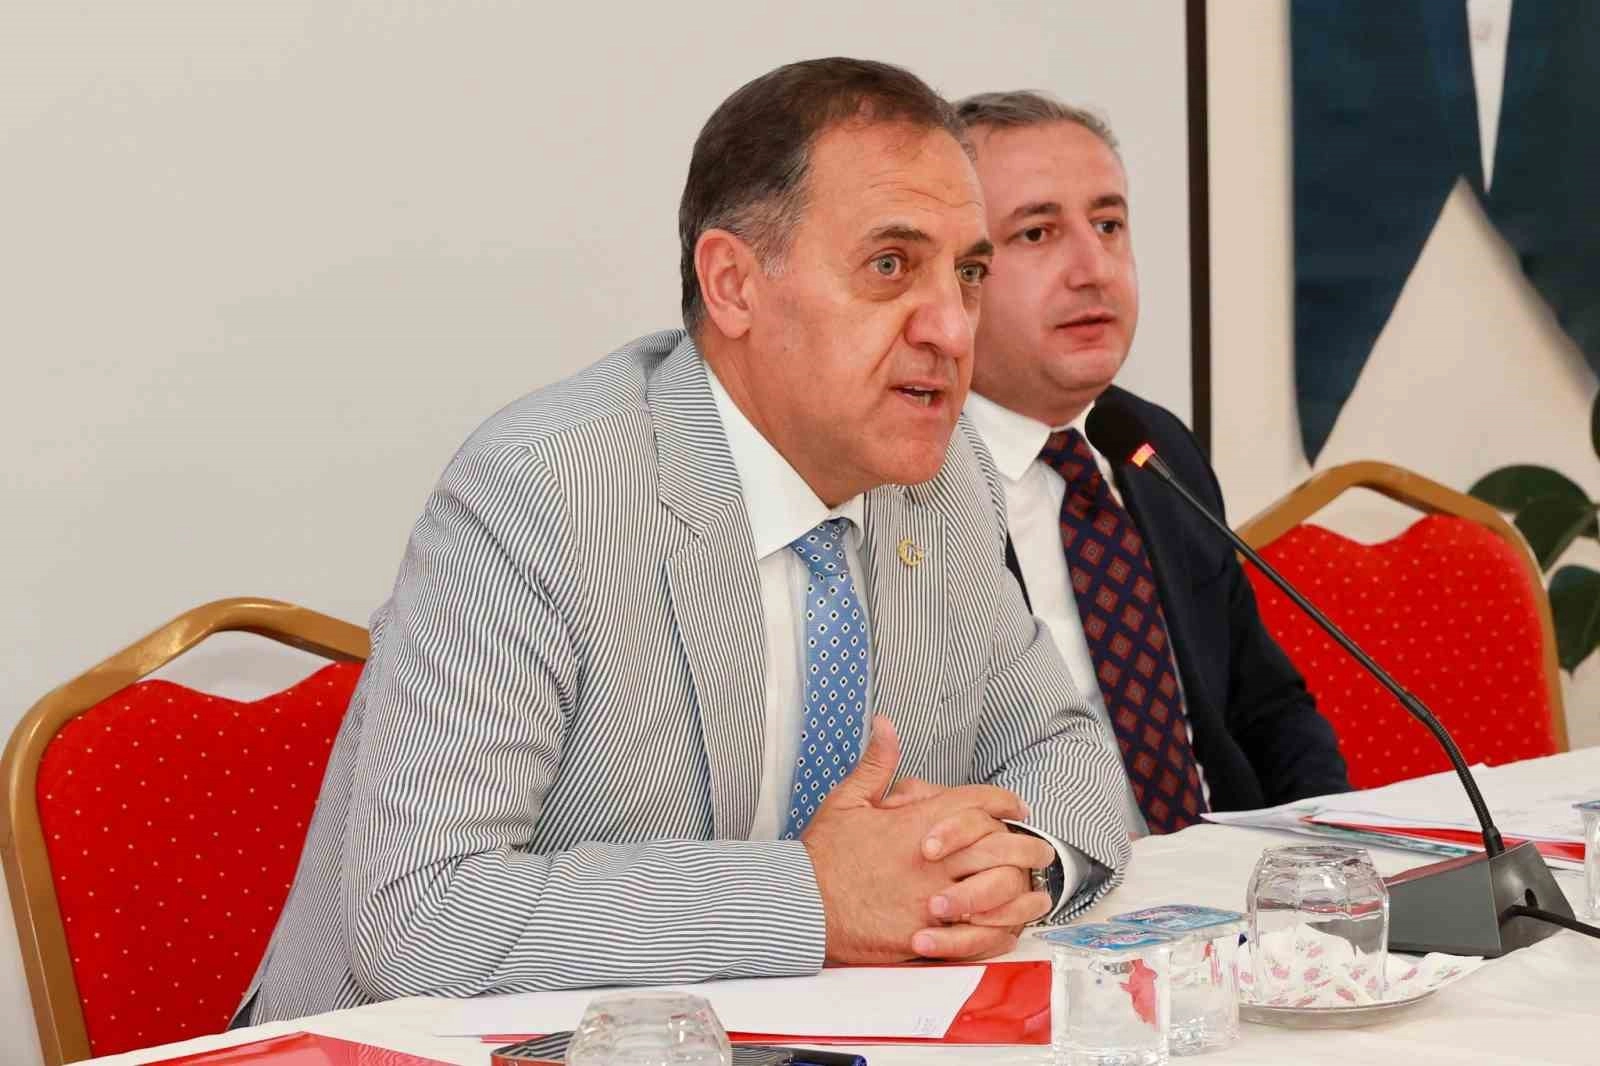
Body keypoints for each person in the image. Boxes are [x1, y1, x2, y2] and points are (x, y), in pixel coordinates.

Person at [240, 60, 1130, 1024]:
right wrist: (814, 898)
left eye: (969, 273)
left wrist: (1015, 870)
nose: (953, 329)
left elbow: (1064, 750)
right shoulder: (548, 486)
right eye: (890, 267)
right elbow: (420, 914)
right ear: (734, 285)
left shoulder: (944, 477)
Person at [953, 91, 1350, 836]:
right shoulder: (903, 484)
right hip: (1038, 885)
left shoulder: (1150, 444)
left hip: (1222, 871)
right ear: (957, 273)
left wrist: (1334, 848)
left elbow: (1266, 708)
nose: (1093, 270)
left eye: (1108, 225)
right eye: (1037, 232)